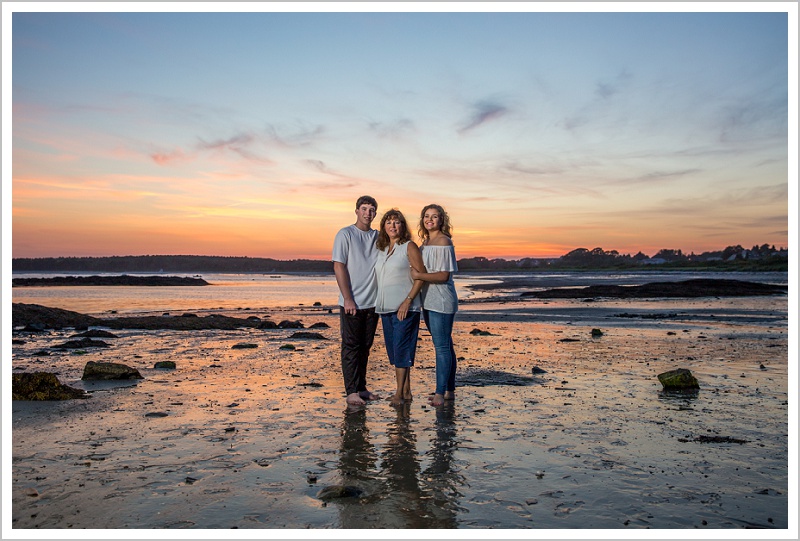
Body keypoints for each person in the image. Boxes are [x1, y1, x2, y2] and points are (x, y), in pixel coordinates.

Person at [332, 195, 381, 406]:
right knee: (351, 346)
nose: (368, 213)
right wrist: (348, 298)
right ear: (356, 211)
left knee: (365, 346)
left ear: (375, 214)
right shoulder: (346, 234)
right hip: (352, 303)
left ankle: (361, 387)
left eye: (372, 210)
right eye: (364, 209)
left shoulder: (379, 237)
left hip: (374, 302)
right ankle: (351, 391)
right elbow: (339, 266)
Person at [374, 208, 425, 407]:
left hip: (405, 308)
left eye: (396, 222)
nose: (392, 226)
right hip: (385, 308)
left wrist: (408, 300)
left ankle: (399, 394)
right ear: (383, 227)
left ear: (402, 226)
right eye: (388, 222)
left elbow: (420, 276)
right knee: (395, 352)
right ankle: (406, 391)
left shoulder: (409, 246)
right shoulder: (382, 249)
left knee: (402, 349)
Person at [411, 204, 459, 407]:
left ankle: (440, 392)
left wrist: (419, 276)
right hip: (428, 301)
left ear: (442, 220)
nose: (430, 220)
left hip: (441, 300)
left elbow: (443, 275)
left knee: (441, 347)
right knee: (445, 345)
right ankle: (449, 390)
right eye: (426, 216)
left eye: (435, 216)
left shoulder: (443, 242)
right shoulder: (426, 242)